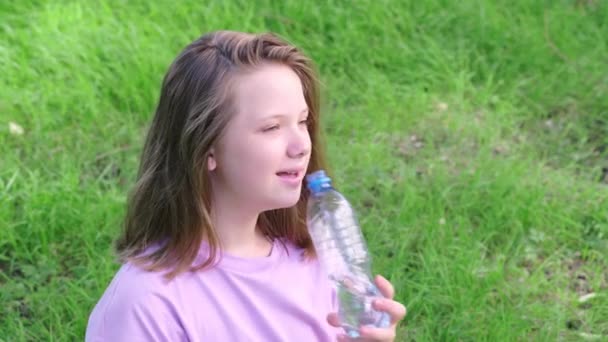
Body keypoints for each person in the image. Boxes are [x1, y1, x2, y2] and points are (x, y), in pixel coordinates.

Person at [85, 30, 406, 341]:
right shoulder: (146, 305)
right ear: (206, 147)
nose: (301, 146)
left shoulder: (312, 260)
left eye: (303, 121)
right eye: (271, 127)